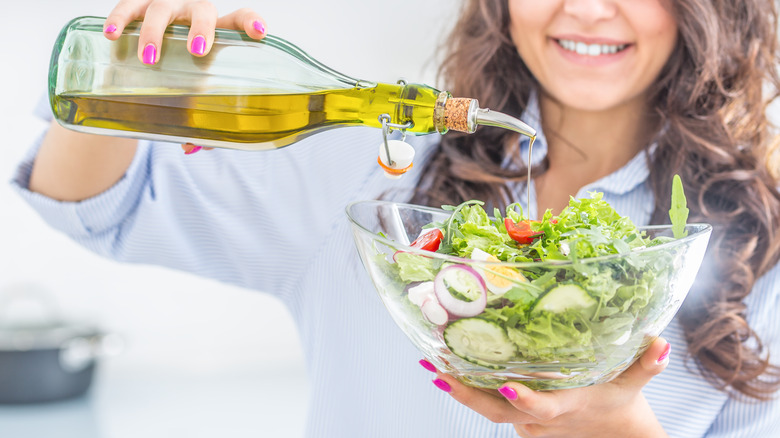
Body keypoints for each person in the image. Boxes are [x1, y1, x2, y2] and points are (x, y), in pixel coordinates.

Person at [11, 0, 780, 436]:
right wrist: (120, 81)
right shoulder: (378, 172)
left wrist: (617, 430)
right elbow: (98, 208)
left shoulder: (756, 244)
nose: (582, 7)